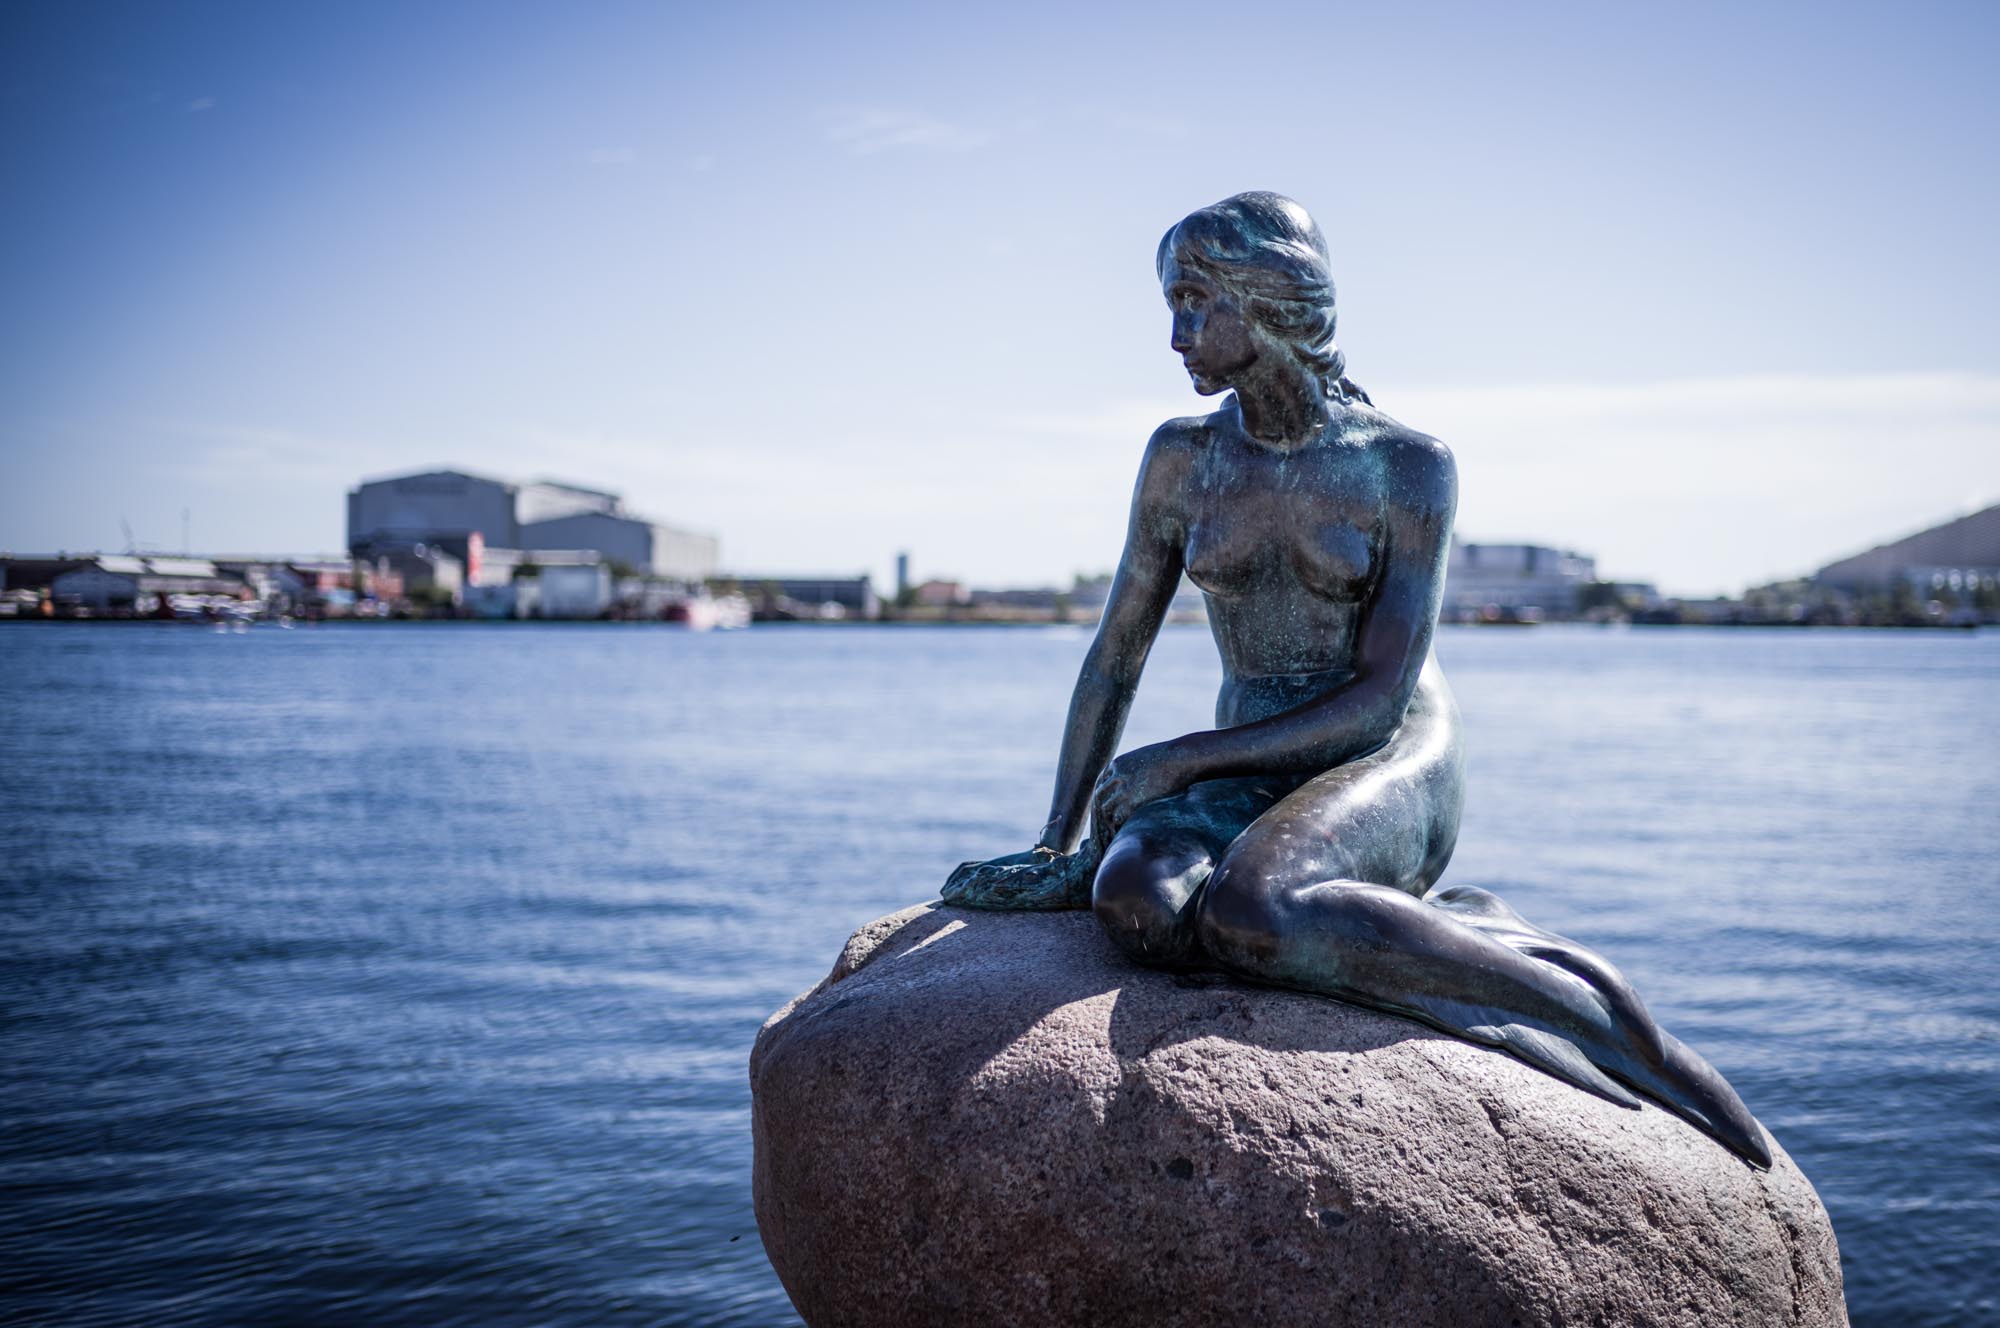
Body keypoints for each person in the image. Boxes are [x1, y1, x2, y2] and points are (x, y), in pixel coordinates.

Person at [945, 191, 1769, 1167]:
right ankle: (1426, 929)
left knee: (1255, 909)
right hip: (1252, 760)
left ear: (1270, 299)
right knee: (1136, 904)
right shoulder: (1181, 457)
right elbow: (1116, 649)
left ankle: (1589, 1009)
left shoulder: (1404, 465)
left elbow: (1377, 696)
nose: (1173, 334)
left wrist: (1176, 760)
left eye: (1192, 300)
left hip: (1385, 748)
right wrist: (1055, 836)